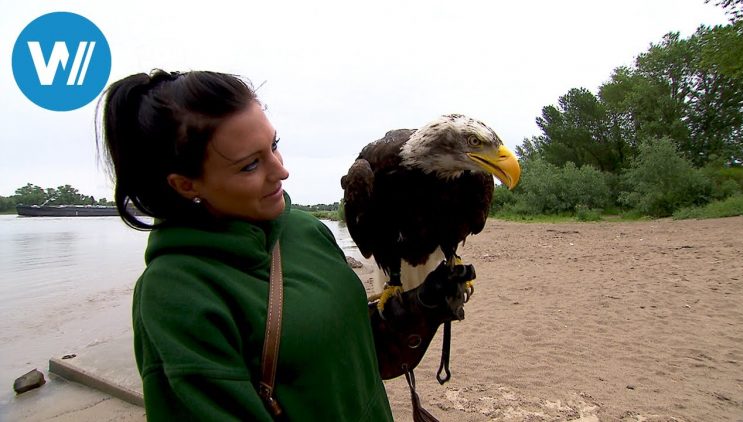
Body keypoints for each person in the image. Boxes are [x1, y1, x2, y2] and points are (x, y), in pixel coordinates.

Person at [98, 69, 472, 421]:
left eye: (274, 145)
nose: (281, 170)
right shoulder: (177, 294)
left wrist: (419, 310)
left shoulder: (305, 231)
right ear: (186, 185)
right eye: (250, 165)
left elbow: (352, 357)